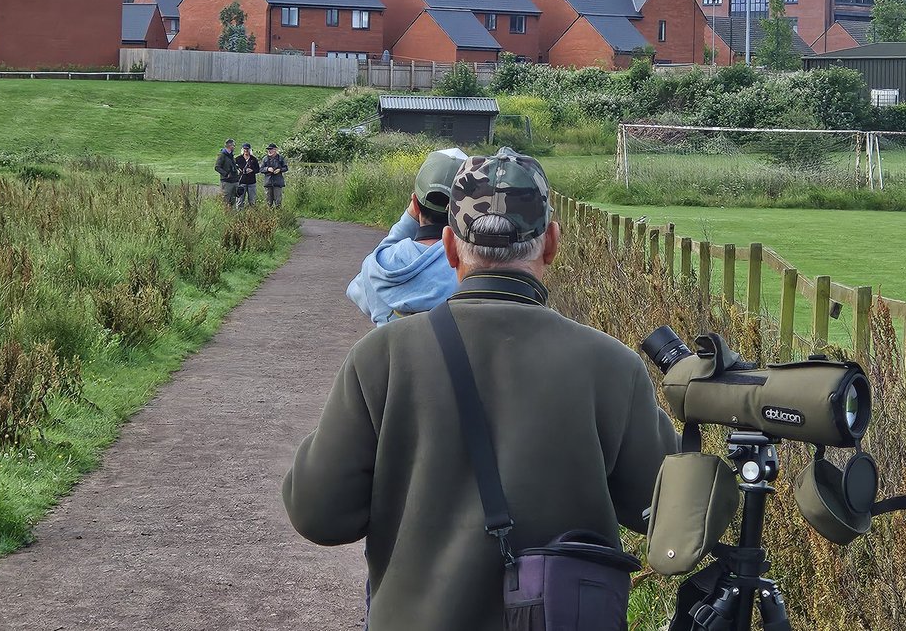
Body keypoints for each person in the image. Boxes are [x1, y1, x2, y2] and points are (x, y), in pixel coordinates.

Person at [283, 147, 678, 630]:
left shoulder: (382, 357)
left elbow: (319, 514)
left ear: (449, 248)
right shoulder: (614, 366)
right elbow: (664, 515)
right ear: (551, 243)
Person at [345, 147, 467, 326]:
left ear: (415, 204)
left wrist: (407, 222)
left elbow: (357, 291)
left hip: (389, 354)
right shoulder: (468, 270)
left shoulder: (378, 266)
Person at [214, 138, 240, 207]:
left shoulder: (232, 155)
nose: (234, 147)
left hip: (234, 181)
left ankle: (233, 216)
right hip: (226, 182)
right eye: (233, 146)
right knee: (226, 201)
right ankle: (226, 215)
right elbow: (217, 167)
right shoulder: (222, 155)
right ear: (230, 146)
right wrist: (226, 174)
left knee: (233, 201)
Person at [235, 143, 260, 209]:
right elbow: (234, 169)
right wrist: (239, 170)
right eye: (244, 149)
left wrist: (252, 170)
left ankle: (252, 215)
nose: (246, 150)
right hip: (241, 182)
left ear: (250, 150)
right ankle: (239, 215)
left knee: (252, 201)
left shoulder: (253, 159)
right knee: (240, 201)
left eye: (247, 149)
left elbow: (258, 169)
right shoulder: (238, 159)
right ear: (242, 150)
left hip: (251, 183)